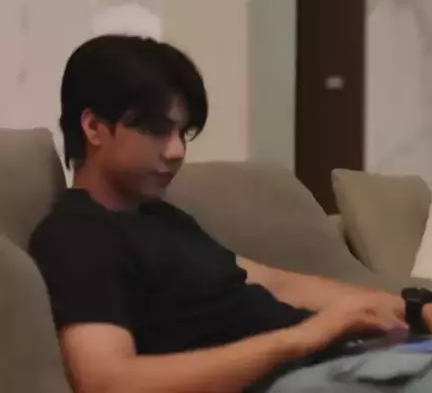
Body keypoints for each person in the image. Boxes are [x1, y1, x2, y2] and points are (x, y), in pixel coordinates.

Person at [30, 35, 432, 393]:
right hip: (290, 377)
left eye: (182, 133)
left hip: (344, 361)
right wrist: (306, 336)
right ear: (94, 127)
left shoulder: (162, 219)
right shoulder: (77, 236)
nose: (176, 151)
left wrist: (414, 308)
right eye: (155, 130)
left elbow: (276, 283)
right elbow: (109, 382)